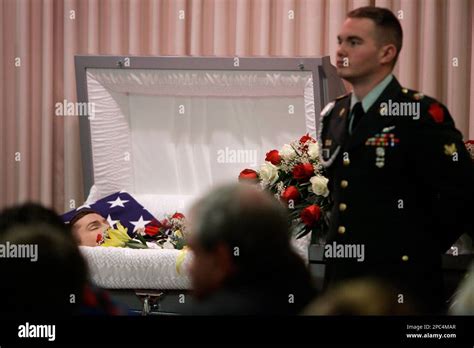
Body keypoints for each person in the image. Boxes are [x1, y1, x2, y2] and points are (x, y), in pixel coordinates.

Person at [318, 6, 474, 313]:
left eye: (354, 42)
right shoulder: (335, 114)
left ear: (386, 52)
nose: (340, 51)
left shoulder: (419, 113)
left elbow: (463, 195)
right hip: (342, 282)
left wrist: (415, 248)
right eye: (340, 41)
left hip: (399, 285)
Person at [185, 183, 317, 315]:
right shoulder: (314, 299)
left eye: (196, 253)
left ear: (222, 257)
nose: (189, 268)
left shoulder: (213, 311)